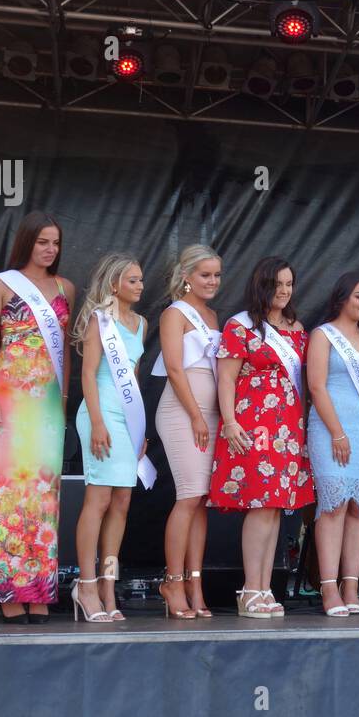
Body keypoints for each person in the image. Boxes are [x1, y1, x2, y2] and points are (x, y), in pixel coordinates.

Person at [0, 211, 75, 624]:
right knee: (5, 492)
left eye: (55, 243)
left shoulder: (65, 288)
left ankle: (38, 588)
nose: (50, 249)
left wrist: (62, 402)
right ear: (27, 241)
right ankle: (7, 590)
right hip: (7, 398)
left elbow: (62, 351)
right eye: (43, 241)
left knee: (42, 497)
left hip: (44, 404)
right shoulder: (1, 284)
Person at [209, 257, 314, 618]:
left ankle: (266, 587)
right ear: (261, 285)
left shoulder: (297, 328)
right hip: (253, 426)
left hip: (287, 428)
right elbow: (225, 378)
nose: (284, 291)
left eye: (289, 284)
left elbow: (304, 380)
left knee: (275, 509)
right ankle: (250, 588)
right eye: (277, 284)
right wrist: (230, 421)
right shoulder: (240, 327)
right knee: (259, 505)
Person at [71, 254, 151, 622]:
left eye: (140, 280)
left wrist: (140, 430)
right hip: (99, 413)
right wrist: (98, 422)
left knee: (122, 502)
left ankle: (107, 583)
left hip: (126, 417)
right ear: (114, 284)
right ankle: (85, 584)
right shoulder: (98, 321)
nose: (139, 286)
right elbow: (88, 375)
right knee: (99, 498)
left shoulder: (142, 323)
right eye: (132, 280)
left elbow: (133, 379)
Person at [307, 273, 359, 617]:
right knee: (334, 506)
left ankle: (351, 586)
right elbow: (316, 387)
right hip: (331, 427)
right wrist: (338, 432)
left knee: (358, 509)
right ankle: (328, 588)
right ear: (342, 297)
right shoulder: (323, 334)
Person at [153, 245, 223, 619]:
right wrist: (196, 416)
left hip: (210, 414)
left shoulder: (212, 315)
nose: (212, 281)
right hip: (182, 413)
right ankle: (173, 581)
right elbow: (175, 370)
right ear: (187, 276)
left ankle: (196, 583)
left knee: (201, 501)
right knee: (188, 495)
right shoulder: (174, 313)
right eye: (205, 275)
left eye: (216, 275)